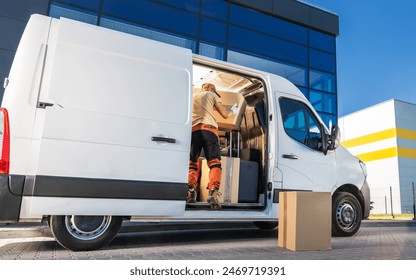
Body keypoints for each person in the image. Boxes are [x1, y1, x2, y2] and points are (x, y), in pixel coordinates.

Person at [187, 83, 238, 210]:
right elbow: (225, 115)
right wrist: (233, 110)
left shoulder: (193, 96)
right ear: (213, 89)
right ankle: (213, 192)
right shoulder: (212, 95)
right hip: (209, 130)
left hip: (193, 131)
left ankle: (190, 192)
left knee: (192, 163)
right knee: (214, 163)